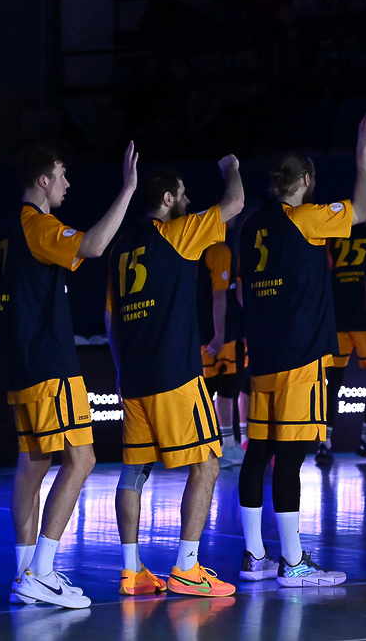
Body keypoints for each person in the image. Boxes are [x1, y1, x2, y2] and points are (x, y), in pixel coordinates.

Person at [236, 107, 366, 588]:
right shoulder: (306, 219)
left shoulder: (250, 225)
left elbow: (243, 293)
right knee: (290, 457)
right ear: (306, 181)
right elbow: (364, 210)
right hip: (300, 357)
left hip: (263, 355)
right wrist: (363, 153)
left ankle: (255, 557)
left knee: (259, 452)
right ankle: (293, 563)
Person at [1, 142, 138, 608]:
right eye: (61, 174)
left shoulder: (9, 228)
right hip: (49, 364)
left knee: (33, 464)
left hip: (20, 364)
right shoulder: (39, 225)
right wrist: (128, 189)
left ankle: (25, 574)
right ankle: (41, 571)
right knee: (82, 460)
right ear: (43, 180)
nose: (67, 183)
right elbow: (94, 245)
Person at [108, 160, 243, 598]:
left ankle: (132, 572)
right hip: (176, 375)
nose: (188, 201)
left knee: (133, 473)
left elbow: (110, 319)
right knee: (207, 462)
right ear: (167, 200)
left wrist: (120, 370)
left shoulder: (121, 247)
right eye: (182, 194)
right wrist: (231, 167)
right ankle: (187, 568)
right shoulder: (177, 233)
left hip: (134, 378)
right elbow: (235, 202)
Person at [319, 220, 366, 464]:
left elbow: (324, 272)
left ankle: (324, 445)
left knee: (333, 383)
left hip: (338, 316)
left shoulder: (333, 232)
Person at [197, 227, 246, 469]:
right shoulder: (219, 250)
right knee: (225, 391)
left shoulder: (196, 249)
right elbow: (220, 295)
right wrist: (220, 334)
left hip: (203, 332)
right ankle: (225, 446)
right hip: (221, 336)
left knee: (213, 393)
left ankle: (221, 444)